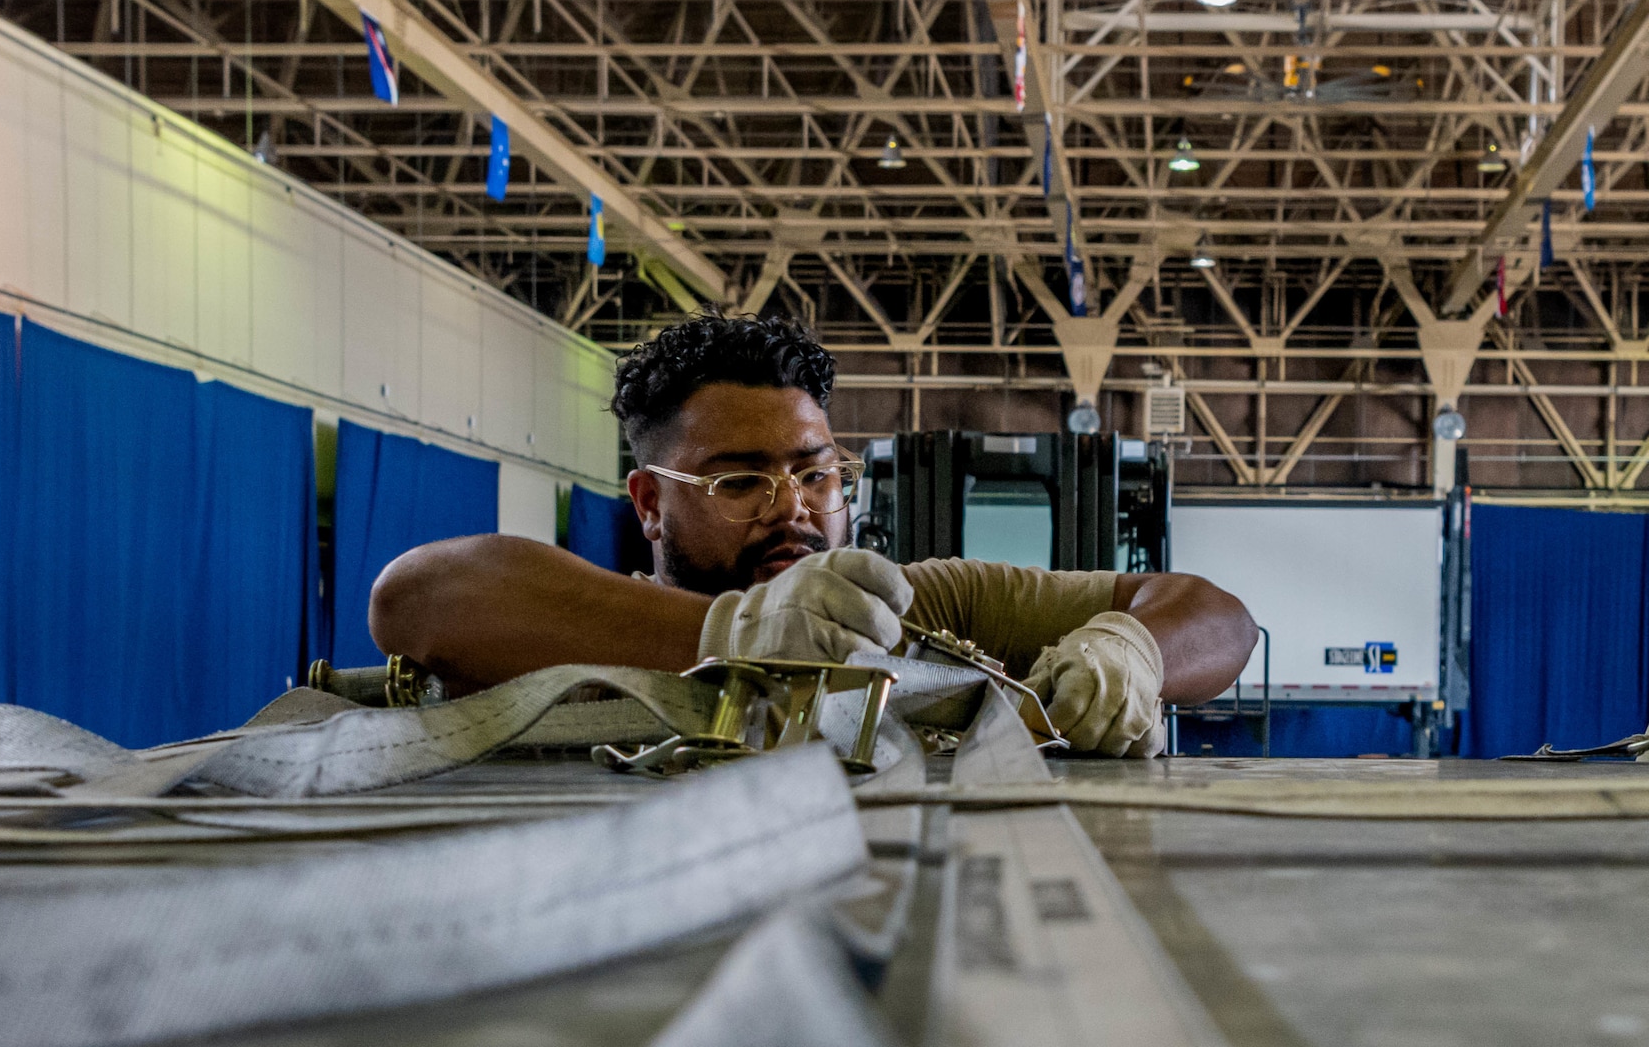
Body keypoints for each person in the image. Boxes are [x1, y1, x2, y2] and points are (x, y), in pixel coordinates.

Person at [370, 309, 1256, 757]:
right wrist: (733, 637)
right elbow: (416, 598)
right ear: (647, 503)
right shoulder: (585, 625)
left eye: (815, 471)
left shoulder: (916, 608)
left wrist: (1131, 649)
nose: (792, 506)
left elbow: (1219, 619)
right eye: (742, 480)